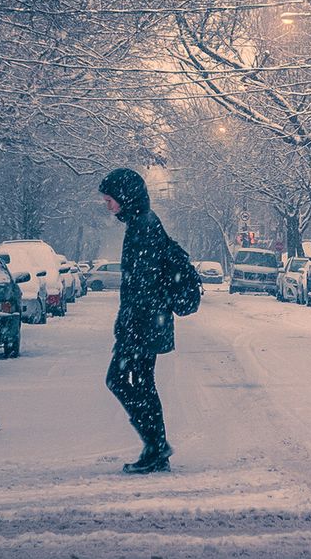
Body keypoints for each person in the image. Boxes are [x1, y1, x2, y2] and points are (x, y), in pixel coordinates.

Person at [99, 167, 187, 474]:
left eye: (110, 199)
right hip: (146, 323)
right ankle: (156, 447)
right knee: (139, 383)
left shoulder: (143, 228)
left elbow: (143, 285)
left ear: (125, 196)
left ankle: (156, 445)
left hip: (143, 324)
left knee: (120, 380)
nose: (107, 205)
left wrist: (130, 325)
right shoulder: (142, 224)